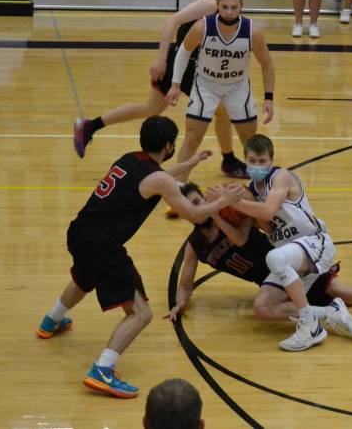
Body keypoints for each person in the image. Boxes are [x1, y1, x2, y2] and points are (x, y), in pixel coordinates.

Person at [36, 115, 234, 399]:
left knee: (85, 276)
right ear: (167, 146)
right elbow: (192, 214)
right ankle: (103, 370)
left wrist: (189, 164)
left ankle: (50, 321)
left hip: (79, 232)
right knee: (141, 314)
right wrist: (221, 202)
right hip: (103, 243)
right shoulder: (160, 179)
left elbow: (159, 178)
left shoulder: (129, 159)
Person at [169, 181, 352, 339]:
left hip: (293, 263)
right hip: (274, 282)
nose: (196, 208)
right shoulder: (195, 245)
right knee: (347, 297)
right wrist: (181, 302)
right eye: (189, 206)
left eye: (197, 201)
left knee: (341, 292)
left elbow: (239, 239)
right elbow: (185, 283)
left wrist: (216, 208)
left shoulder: (229, 216)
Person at [73, 0, 253, 181]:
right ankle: (228, 160)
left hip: (194, 67)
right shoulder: (210, 3)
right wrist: (161, 60)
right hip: (181, 65)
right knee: (214, 110)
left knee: (154, 109)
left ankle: (90, 126)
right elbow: (171, 21)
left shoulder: (227, 6)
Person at [167, 0, 275, 179]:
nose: (229, 12)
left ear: (241, 6)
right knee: (192, 138)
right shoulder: (203, 26)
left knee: (252, 143)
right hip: (205, 86)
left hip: (237, 88)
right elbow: (183, 52)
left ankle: (263, 188)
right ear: (218, 5)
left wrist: (268, 98)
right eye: (225, 7)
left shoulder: (252, 32)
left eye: (234, 7)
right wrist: (175, 84)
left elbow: (267, 64)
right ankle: (178, 188)